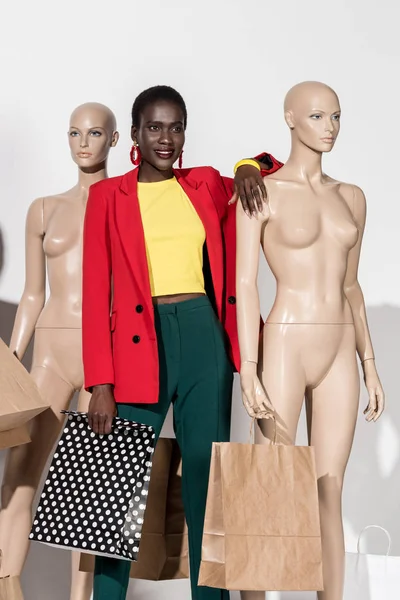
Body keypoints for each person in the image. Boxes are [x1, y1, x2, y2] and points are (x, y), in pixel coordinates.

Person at [82, 84, 281, 600]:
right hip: (134, 346)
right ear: (134, 134)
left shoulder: (204, 185)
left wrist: (244, 166)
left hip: (201, 338)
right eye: (155, 127)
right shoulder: (108, 196)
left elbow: (271, 160)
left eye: (175, 127)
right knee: (115, 495)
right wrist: (100, 381)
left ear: (185, 132)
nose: (165, 138)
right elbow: (93, 288)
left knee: (206, 485)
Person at [236, 81, 385, 600]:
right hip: (285, 342)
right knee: (269, 483)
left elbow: (351, 286)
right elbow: (245, 283)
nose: (330, 128)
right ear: (290, 118)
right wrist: (248, 367)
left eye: (337, 117)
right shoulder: (259, 192)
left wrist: (370, 362)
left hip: (340, 345)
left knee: (329, 489)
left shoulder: (353, 199)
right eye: (319, 117)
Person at [0, 102, 118, 600]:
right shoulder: (44, 208)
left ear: (114, 140)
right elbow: (32, 293)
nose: (82, 142)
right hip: (48, 349)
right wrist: (11, 358)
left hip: (102, 354)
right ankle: (7, 583)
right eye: (74, 132)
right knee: (21, 471)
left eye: (94, 132)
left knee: (90, 490)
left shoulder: (126, 205)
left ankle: (81, 597)